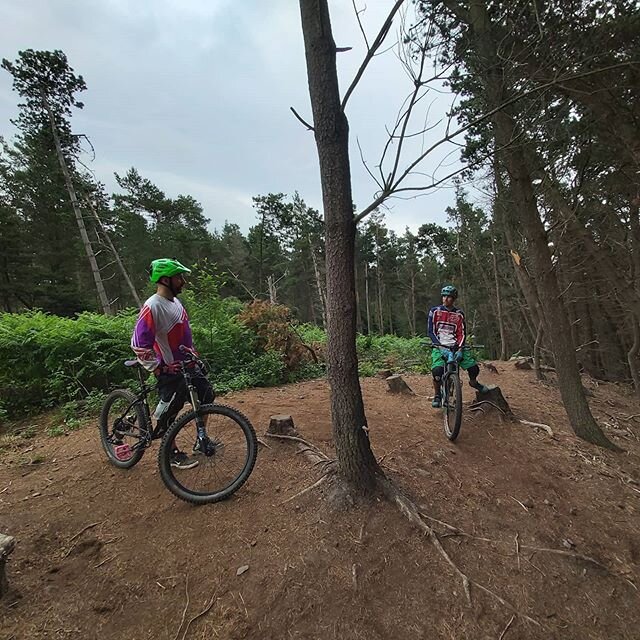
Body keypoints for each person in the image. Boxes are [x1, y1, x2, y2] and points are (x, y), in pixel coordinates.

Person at [131, 258, 215, 469]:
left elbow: (183, 337)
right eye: (179, 277)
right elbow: (139, 344)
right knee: (170, 411)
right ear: (166, 280)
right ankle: (171, 451)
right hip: (170, 369)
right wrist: (159, 367)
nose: (183, 281)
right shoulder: (153, 307)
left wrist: (194, 356)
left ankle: (201, 439)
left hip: (188, 366)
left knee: (206, 396)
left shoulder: (175, 302)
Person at [428, 284, 488, 409]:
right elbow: (431, 331)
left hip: (456, 345)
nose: (445, 299)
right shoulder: (434, 311)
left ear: (454, 299)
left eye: (449, 297)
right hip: (439, 346)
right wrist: (439, 347)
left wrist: (460, 348)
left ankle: (474, 382)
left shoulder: (459, 314)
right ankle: (437, 394)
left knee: (473, 368)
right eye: (444, 296)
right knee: (437, 371)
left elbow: (462, 333)